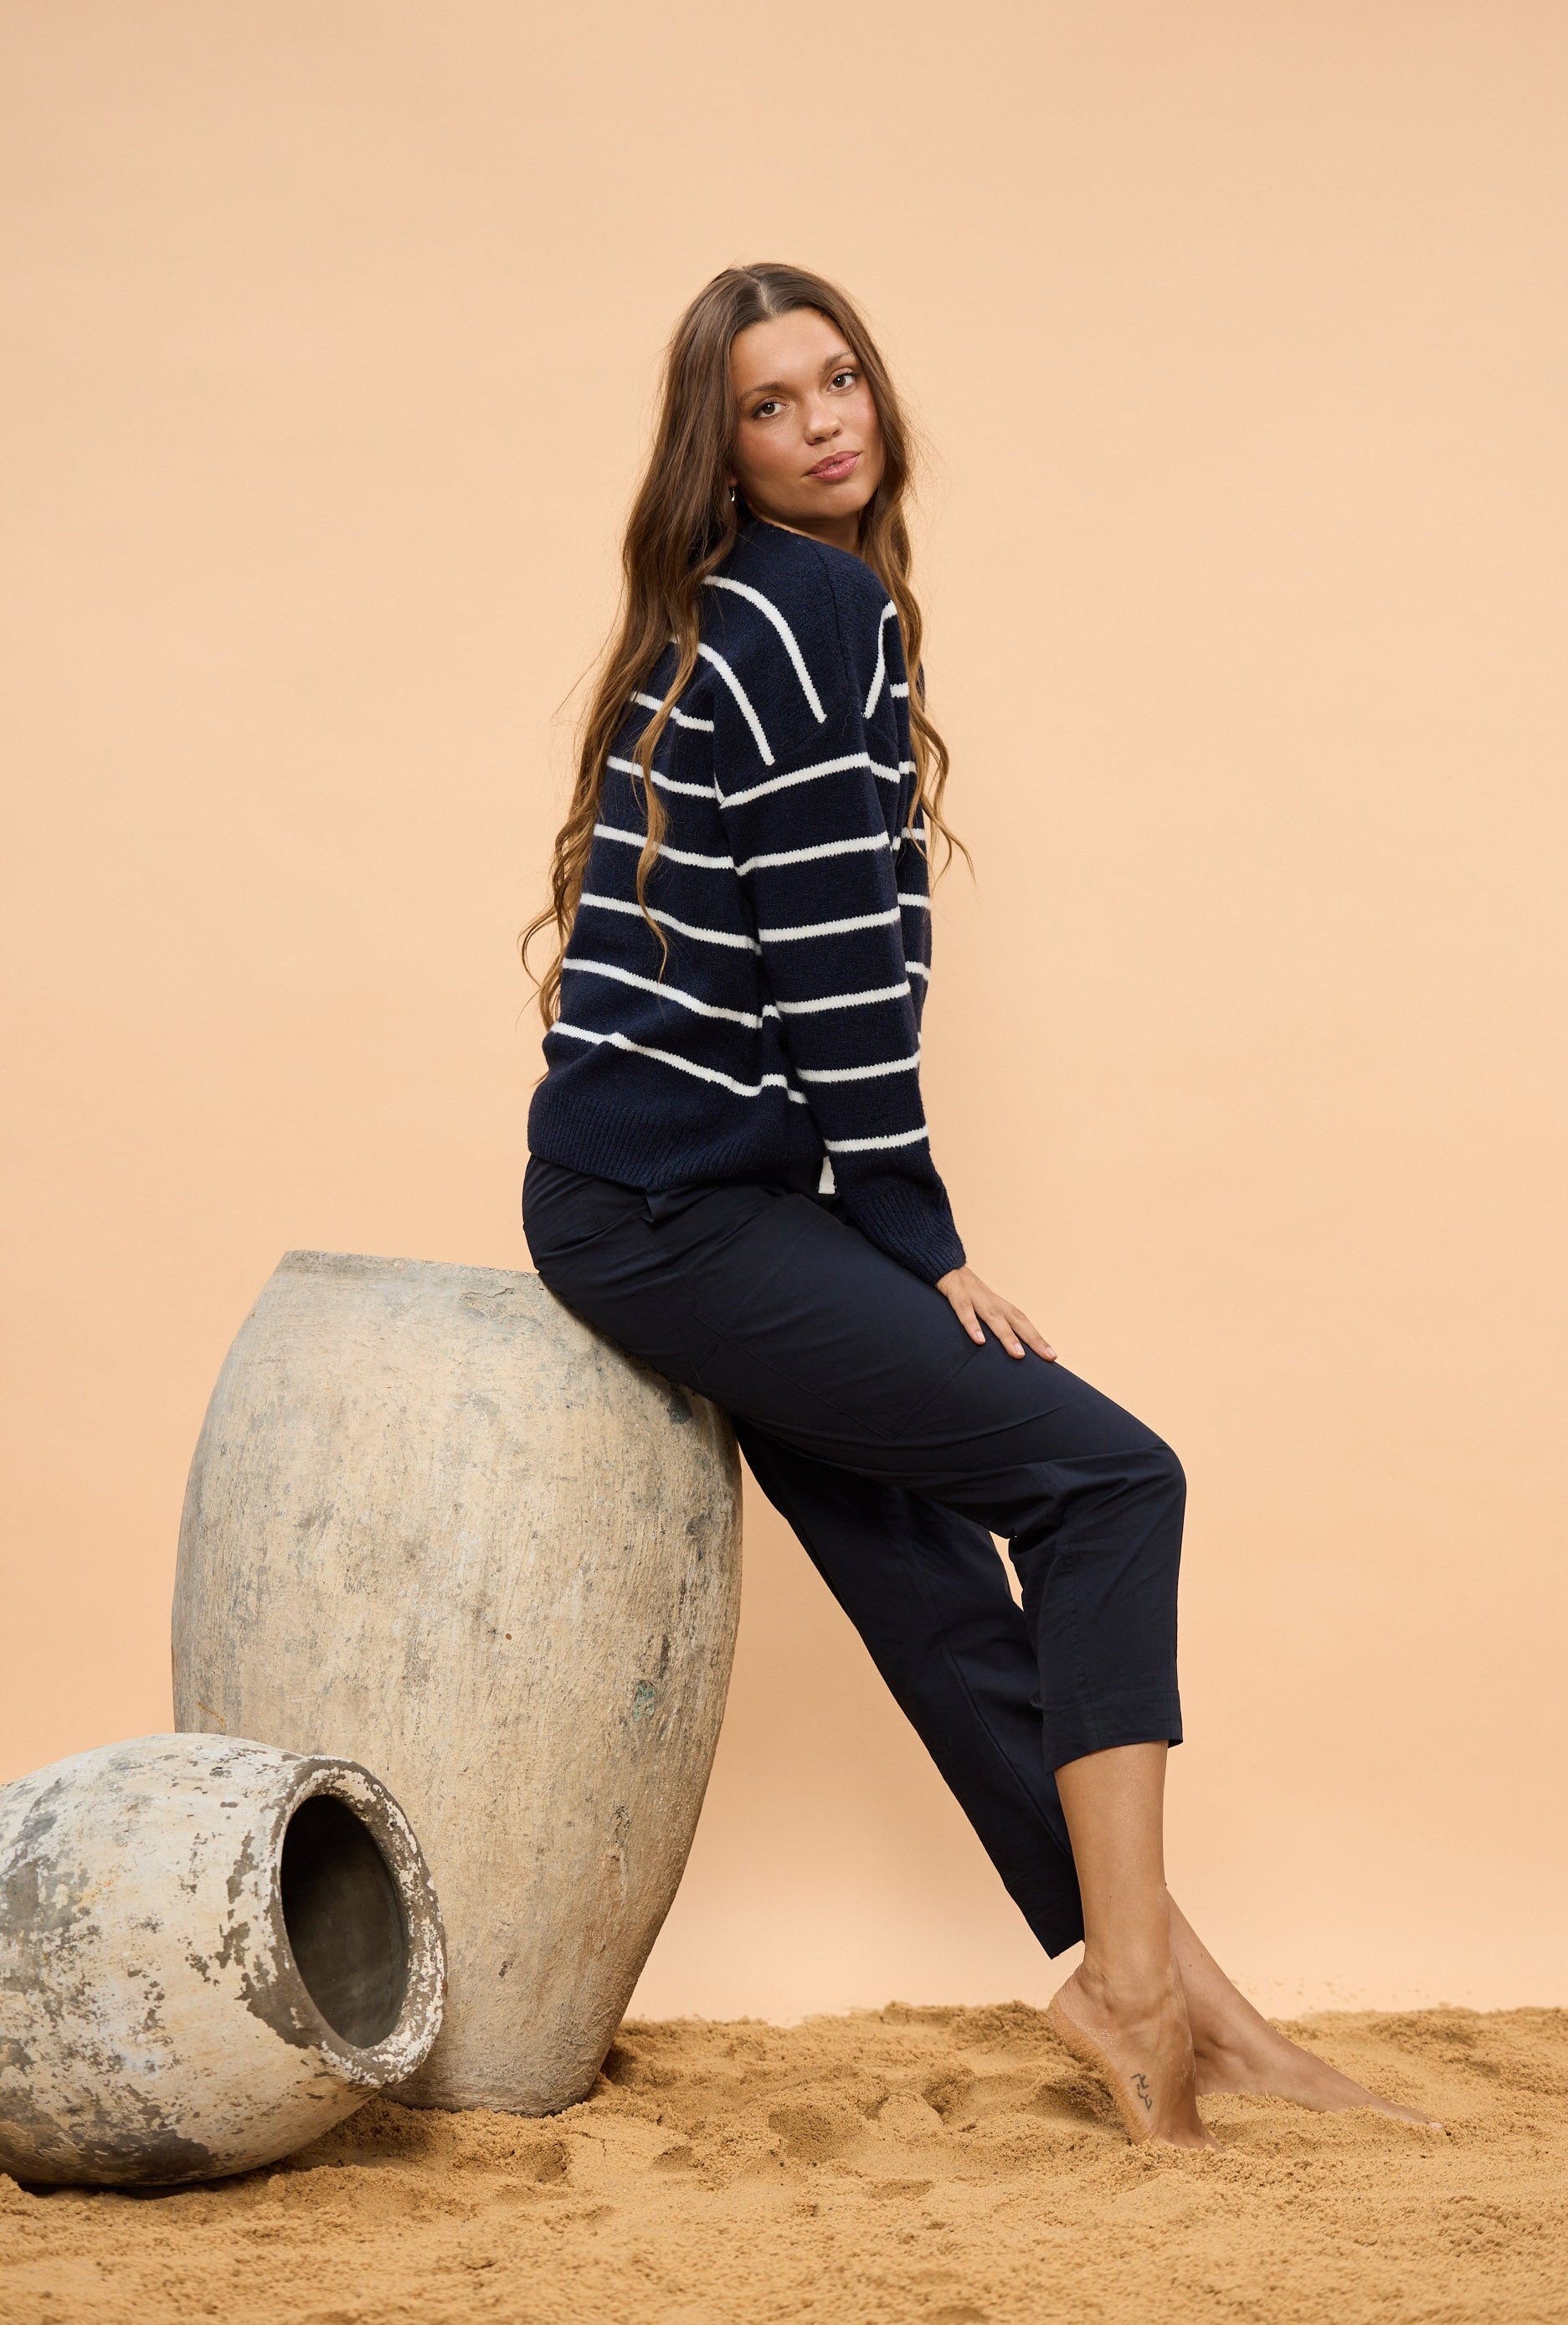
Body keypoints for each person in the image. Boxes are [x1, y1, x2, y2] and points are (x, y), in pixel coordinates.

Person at [521, 263, 1437, 2148]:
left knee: (934, 1586)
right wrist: (922, 1240)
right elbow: (837, 970)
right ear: (723, 447)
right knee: (1106, 1478)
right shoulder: (815, 609)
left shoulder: (748, 609)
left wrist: (853, 1220)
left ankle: (1189, 2009)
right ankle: (1127, 1991)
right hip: (676, 1211)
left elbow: (780, 964)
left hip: (673, 1191)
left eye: (839, 379)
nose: (823, 422)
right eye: (770, 405)